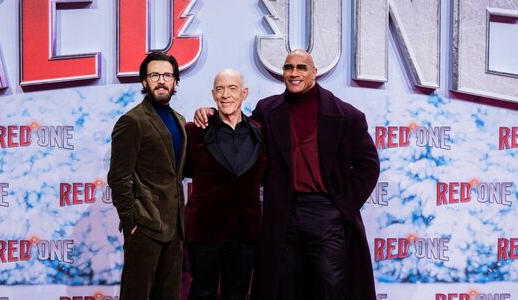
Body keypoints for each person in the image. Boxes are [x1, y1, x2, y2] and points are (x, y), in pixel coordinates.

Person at [195, 50, 380, 299]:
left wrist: (342, 208)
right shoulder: (268, 110)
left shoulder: (347, 115)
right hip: (282, 213)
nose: (294, 73)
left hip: (325, 213)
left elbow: (368, 165)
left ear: (314, 73)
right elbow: (239, 130)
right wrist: (210, 112)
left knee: (330, 285)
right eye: (288, 67)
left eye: (301, 68)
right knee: (283, 286)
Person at [108, 51, 187, 300]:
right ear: (144, 81)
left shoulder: (180, 120)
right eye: (154, 75)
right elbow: (118, 178)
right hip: (145, 227)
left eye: (167, 75)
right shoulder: (132, 121)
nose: (161, 80)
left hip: (175, 228)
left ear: (175, 81)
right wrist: (132, 223)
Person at [184, 69, 266, 300]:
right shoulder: (195, 131)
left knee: (237, 295)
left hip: (246, 230)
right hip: (204, 231)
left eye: (232, 88)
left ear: (244, 93)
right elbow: (180, 172)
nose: (226, 95)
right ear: (213, 94)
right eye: (220, 89)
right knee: (202, 292)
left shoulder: (260, 133)